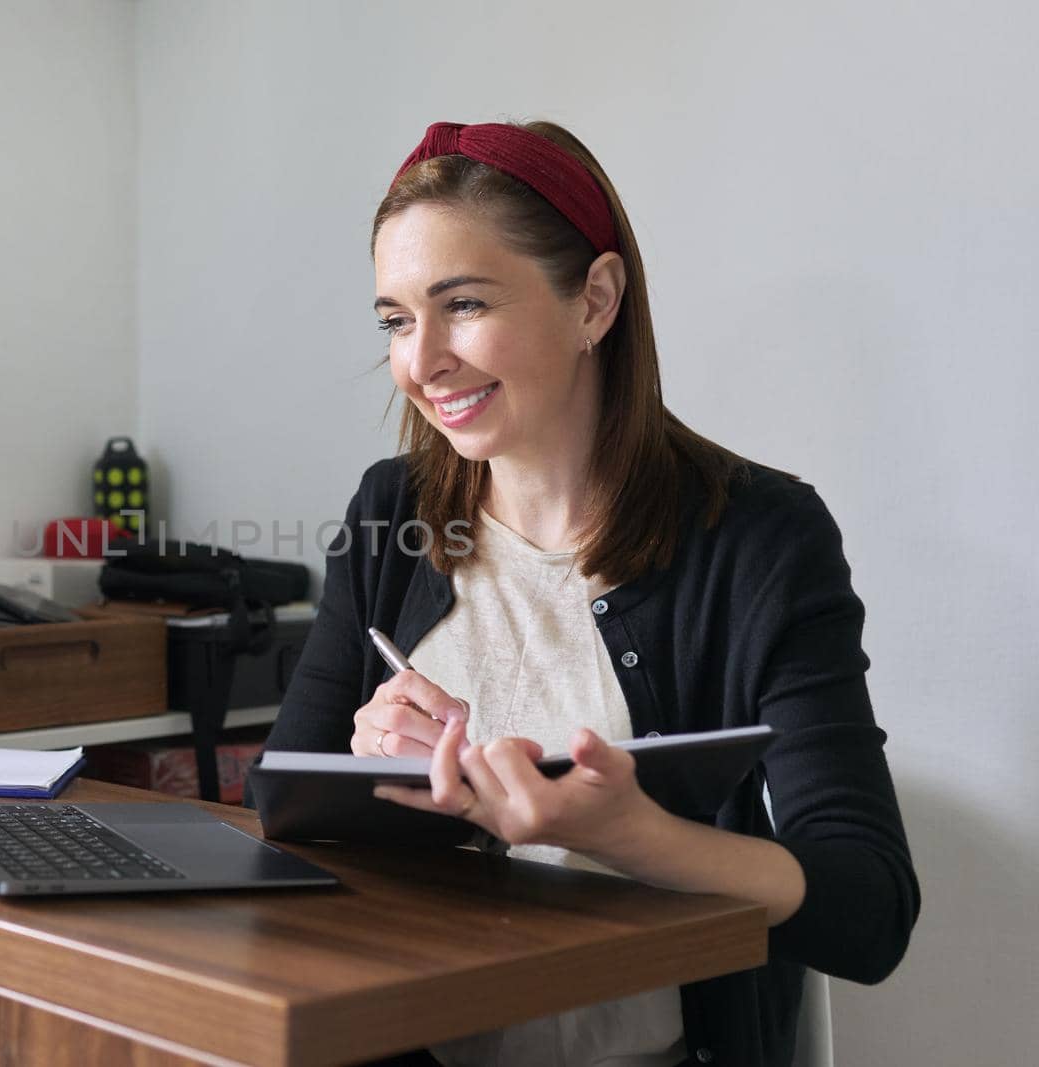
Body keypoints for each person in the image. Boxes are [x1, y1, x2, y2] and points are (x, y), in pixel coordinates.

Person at [259, 120, 919, 1067]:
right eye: (397, 319)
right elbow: (279, 812)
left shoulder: (762, 538)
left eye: (465, 304)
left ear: (595, 302)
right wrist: (377, 774)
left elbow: (870, 909)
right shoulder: (391, 509)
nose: (421, 361)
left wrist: (634, 834)